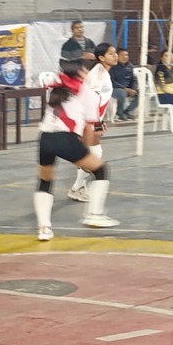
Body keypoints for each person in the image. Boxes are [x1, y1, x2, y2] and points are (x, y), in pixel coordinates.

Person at [32, 51, 110, 241]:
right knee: (100, 171)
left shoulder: (58, 88)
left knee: (45, 182)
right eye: (85, 70)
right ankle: (93, 214)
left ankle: (44, 229)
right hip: (65, 139)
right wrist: (87, 150)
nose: (87, 73)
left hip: (45, 139)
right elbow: (91, 126)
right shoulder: (87, 91)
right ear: (80, 73)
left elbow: (43, 78)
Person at [65, 42, 119, 227]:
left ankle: (78, 187)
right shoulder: (98, 74)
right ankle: (78, 189)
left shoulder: (103, 72)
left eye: (115, 53)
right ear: (101, 57)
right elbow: (91, 98)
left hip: (91, 119)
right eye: (111, 54)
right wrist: (95, 122)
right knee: (94, 156)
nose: (115, 56)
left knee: (93, 154)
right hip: (87, 120)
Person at [109, 48, 139, 122]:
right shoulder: (112, 66)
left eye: (126, 55)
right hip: (115, 88)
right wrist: (125, 89)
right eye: (122, 55)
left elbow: (134, 80)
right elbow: (112, 81)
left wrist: (134, 89)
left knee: (140, 93)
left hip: (128, 89)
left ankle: (127, 112)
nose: (125, 57)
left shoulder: (130, 66)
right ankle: (119, 113)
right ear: (117, 56)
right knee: (122, 93)